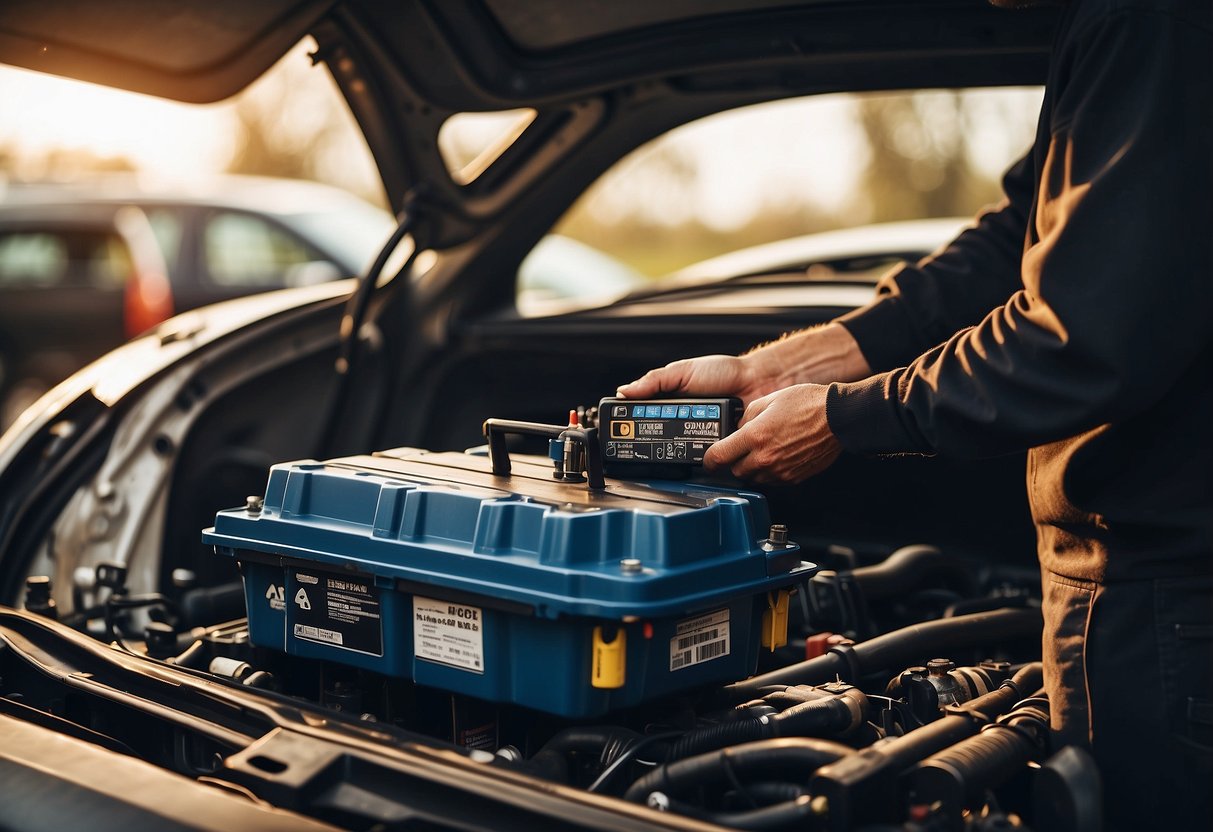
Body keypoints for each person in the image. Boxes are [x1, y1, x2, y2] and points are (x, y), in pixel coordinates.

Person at [618, 0, 1211, 827]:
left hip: (1171, 591)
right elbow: (1015, 242)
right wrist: (775, 367)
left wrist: (842, 419)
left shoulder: (1151, 21)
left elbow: (1084, 338)